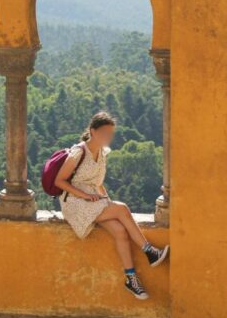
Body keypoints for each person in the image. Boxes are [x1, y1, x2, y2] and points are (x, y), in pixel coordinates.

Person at [55, 111, 169, 300]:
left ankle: (131, 279)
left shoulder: (103, 153)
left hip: (92, 202)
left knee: (119, 231)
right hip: (75, 203)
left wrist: (105, 201)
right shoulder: (78, 152)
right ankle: (149, 251)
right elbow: (60, 181)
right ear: (93, 131)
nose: (109, 137)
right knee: (122, 208)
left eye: (110, 133)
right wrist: (85, 195)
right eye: (105, 132)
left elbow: (98, 183)